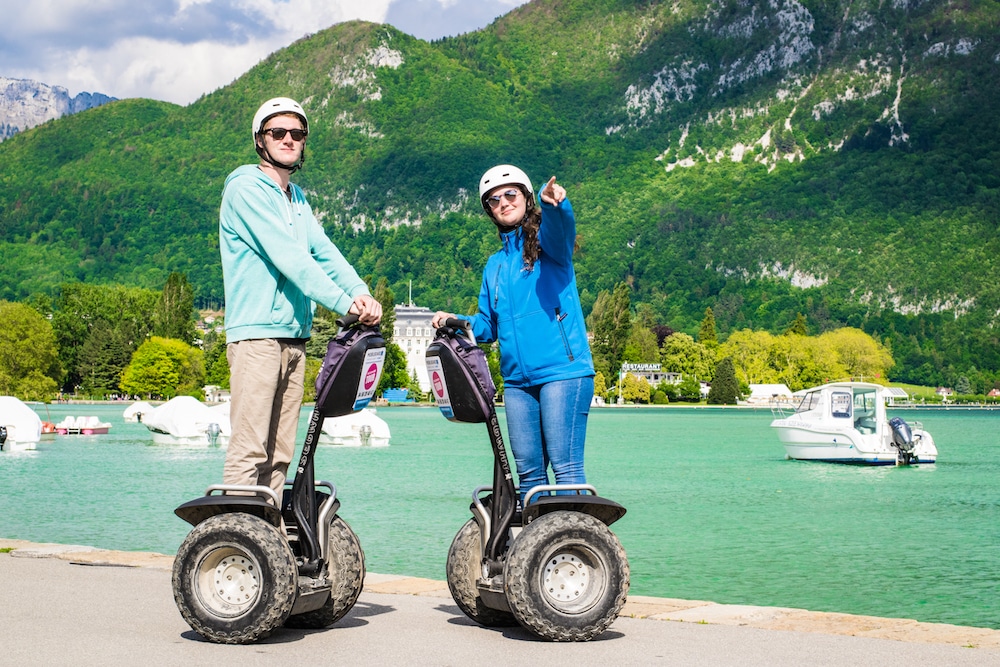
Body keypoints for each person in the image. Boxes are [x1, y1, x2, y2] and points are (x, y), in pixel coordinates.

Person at [220, 97, 382, 508]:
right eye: (278, 132)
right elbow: (292, 260)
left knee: (279, 455)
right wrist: (344, 304)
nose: (289, 139)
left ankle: (267, 539)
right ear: (260, 140)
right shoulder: (245, 189)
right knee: (250, 448)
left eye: (297, 133)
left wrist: (361, 292)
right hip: (257, 336)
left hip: (293, 339)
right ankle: (238, 539)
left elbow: (324, 252)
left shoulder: (296, 198)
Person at [431, 164, 595, 505]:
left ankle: (576, 546)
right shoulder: (495, 266)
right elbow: (488, 327)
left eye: (510, 194)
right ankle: (533, 552)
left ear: (526, 197)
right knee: (529, 475)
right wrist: (455, 320)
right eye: (493, 200)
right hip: (518, 383)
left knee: (565, 471)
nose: (503, 202)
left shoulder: (549, 248)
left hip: (562, 373)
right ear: (489, 211)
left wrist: (556, 206)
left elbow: (561, 232)